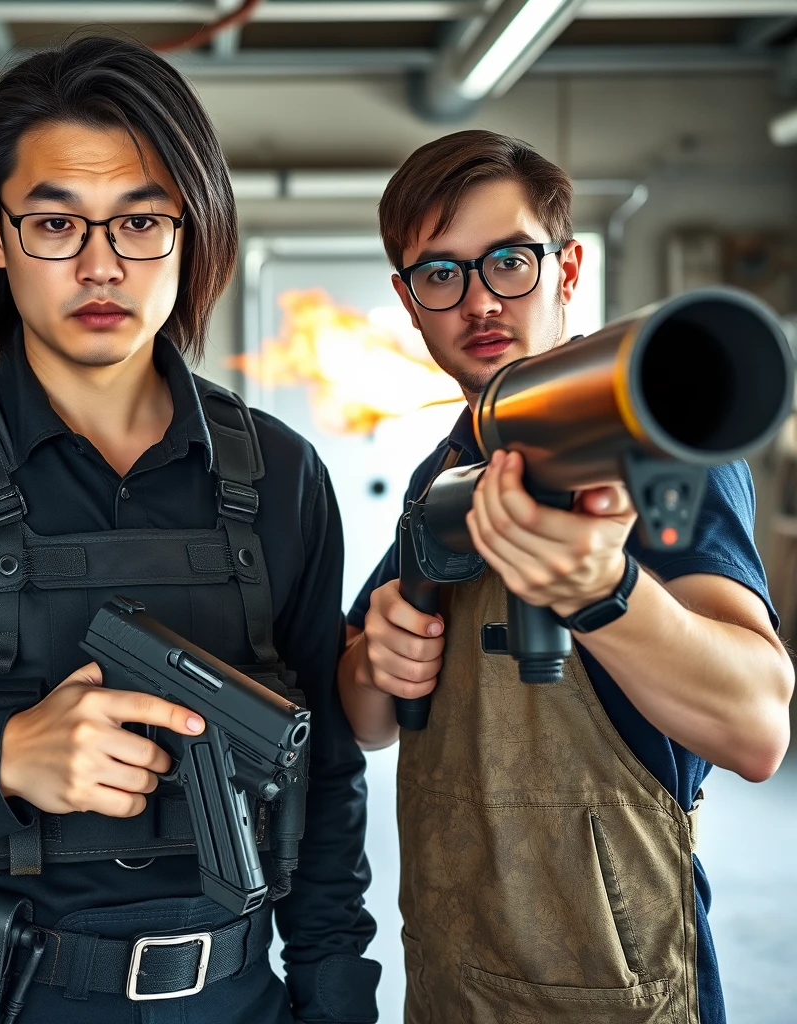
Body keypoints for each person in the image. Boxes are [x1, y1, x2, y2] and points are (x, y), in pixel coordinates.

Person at [0, 37, 379, 1024]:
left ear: (191, 231)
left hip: (241, 1004)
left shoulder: (281, 479)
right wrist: (2, 756)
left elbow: (328, 787)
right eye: (56, 221)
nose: (101, 263)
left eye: (141, 220)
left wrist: (338, 1003)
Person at [337, 129, 793, 1024]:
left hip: (612, 990)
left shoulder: (653, 433)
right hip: (451, 976)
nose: (480, 303)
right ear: (409, 299)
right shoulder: (447, 465)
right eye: (442, 274)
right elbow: (370, 721)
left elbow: (756, 726)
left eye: (510, 260)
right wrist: (371, 660)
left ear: (568, 268)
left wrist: (604, 591)